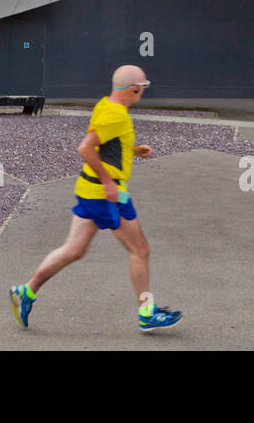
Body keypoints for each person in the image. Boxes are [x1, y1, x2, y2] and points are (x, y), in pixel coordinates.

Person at [10, 65, 182, 332]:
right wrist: (108, 183)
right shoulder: (115, 114)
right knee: (141, 250)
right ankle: (147, 313)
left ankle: (26, 291)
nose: (144, 90)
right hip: (106, 194)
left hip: (91, 190)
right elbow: (86, 147)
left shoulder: (107, 105)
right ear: (133, 88)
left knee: (74, 249)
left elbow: (106, 143)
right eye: (143, 85)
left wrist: (134, 150)